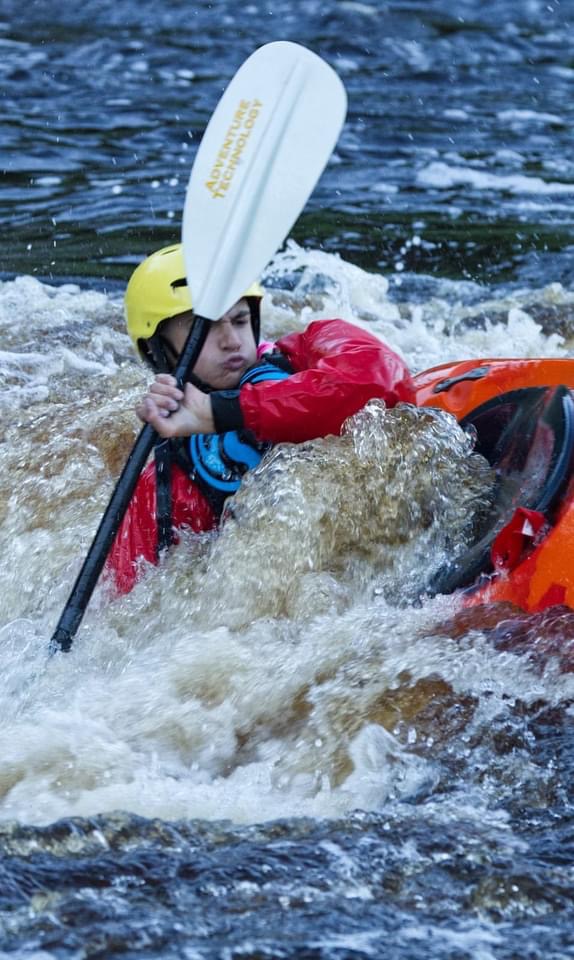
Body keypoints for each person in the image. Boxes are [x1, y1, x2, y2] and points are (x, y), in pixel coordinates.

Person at [106, 243, 414, 593]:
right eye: (203, 329)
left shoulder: (314, 347)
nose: (231, 341)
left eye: (239, 320)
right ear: (157, 351)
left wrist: (219, 413)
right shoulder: (166, 485)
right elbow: (130, 606)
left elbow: (383, 382)